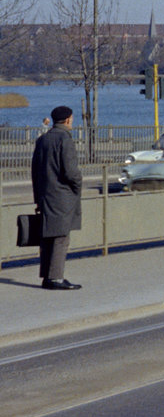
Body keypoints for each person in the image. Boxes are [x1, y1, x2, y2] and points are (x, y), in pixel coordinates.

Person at [30, 106, 83, 290]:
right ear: (68, 120)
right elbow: (70, 171)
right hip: (62, 196)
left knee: (47, 237)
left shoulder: (43, 139)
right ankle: (56, 278)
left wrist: (37, 196)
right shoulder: (65, 139)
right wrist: (78, 185)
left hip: (45, 194)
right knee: (61, 237)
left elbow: (35, 171)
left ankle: (47, 276)